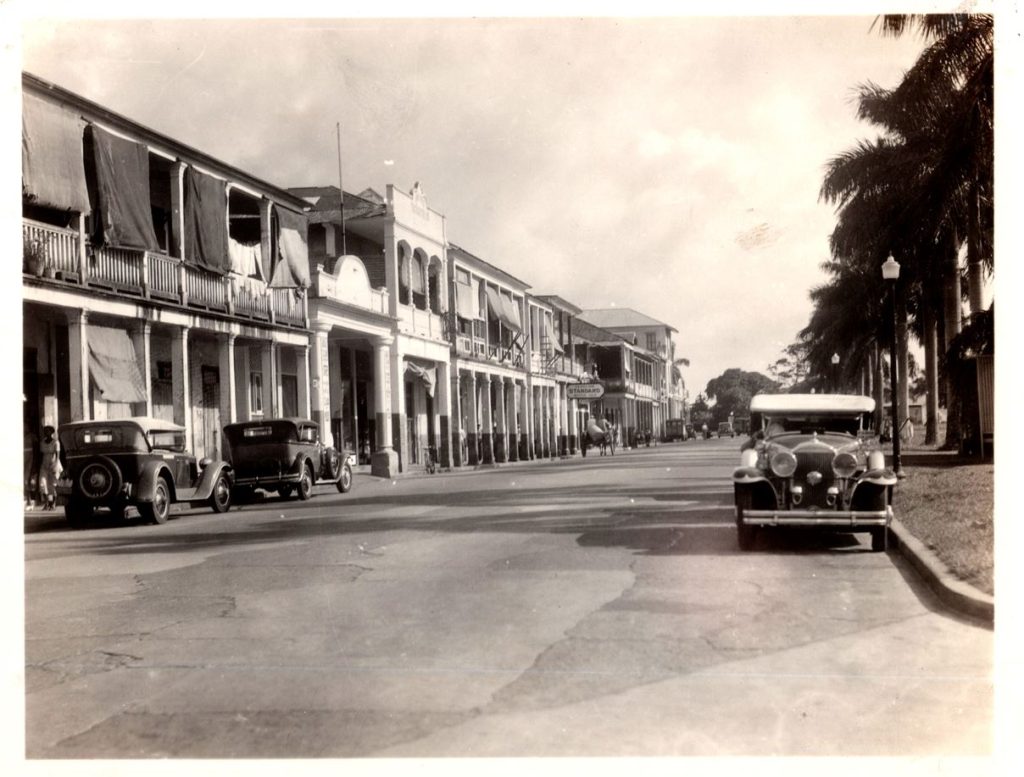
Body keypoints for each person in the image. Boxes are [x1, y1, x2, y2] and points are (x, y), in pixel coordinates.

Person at [38, 425, 61, 511]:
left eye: (48, 431)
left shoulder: (56, 442)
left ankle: (53, 503)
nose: (46, 433)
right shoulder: (42, 442)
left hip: (53, 463)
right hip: (44, 464)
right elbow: (41, 454)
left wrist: (56, 464)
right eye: (45, 431)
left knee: (53, 484)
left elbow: (58, 454)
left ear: (52, 432)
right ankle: (47, 502)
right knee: (42, 484)